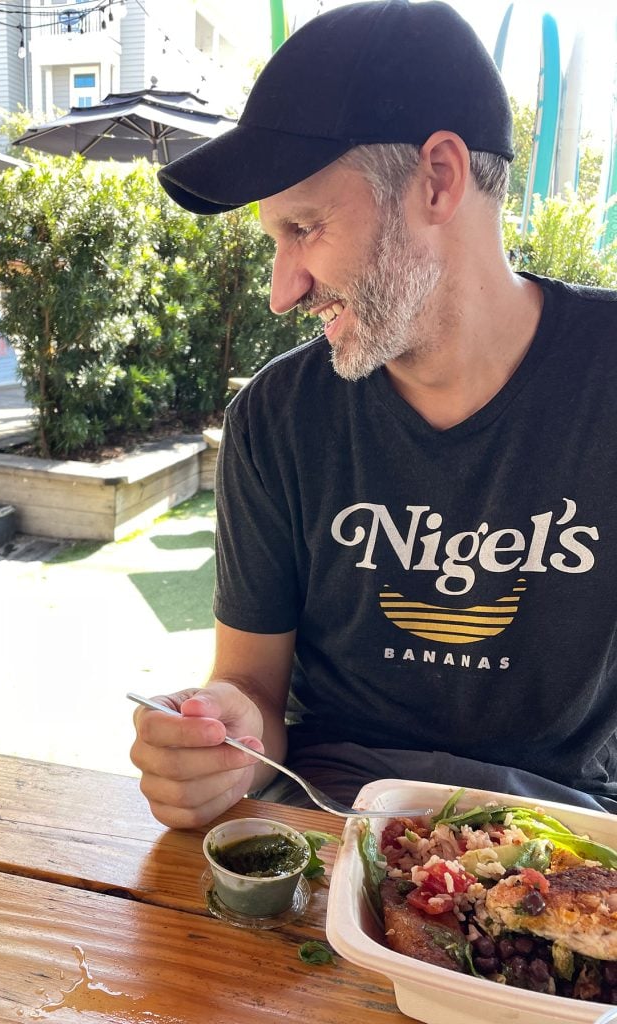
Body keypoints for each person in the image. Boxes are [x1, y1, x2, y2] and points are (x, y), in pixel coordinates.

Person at [130, 0, 617, 827]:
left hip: (568, 844)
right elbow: (251, 687)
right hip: (327, 821)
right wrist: (225, 737)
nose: (283, 290)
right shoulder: (276, 420)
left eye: (307, 228)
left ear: (439, 177)